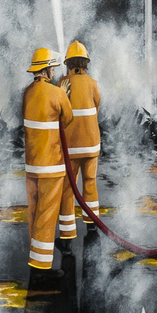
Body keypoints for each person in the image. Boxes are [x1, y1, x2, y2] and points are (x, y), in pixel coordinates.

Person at [22, 47, 73, 279]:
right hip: (51, 165)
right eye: (52, 67)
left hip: (31, 165)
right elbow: (68, 117)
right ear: (47, 69)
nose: (54, 70)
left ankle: (36, 259)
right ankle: (42, 269)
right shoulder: (56, 93)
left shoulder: (27, 92)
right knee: (46, 215)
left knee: (34, 212)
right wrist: (63, 94)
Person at [58, 40, 102, 247]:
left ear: (68, 63)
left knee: (69, 187)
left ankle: (67, 233)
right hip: (91, 143)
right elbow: (97, 105)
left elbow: (59, 111)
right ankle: (92, 223)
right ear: (85, 63)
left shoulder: (62, 83)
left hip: (71, 146)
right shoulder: (92, 83)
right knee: (90, 182)